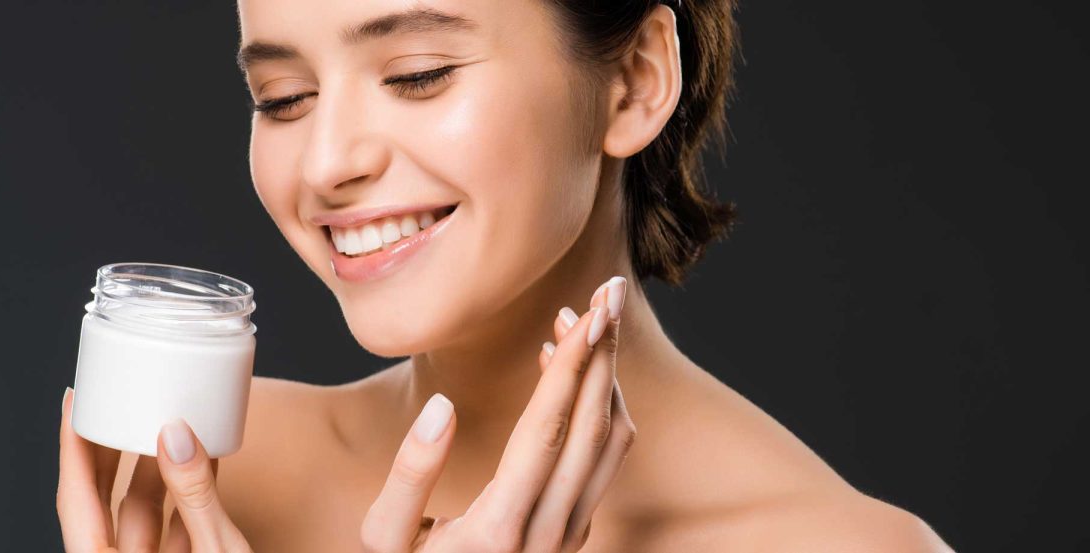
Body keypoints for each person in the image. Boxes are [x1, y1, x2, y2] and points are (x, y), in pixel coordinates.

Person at [57, 0, 953, 550]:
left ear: (636, 81)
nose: (326, 161)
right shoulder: (211, 483)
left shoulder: (845, 547)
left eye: (418, 73)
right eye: (283, 97)